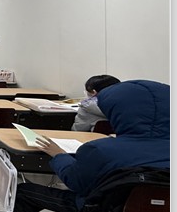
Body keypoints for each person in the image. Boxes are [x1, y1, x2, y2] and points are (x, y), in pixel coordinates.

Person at [14, 80, 169, 212]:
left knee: (24, 192)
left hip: (98, 207)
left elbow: (75, 181)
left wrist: (59, 155)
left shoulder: (101, 150)